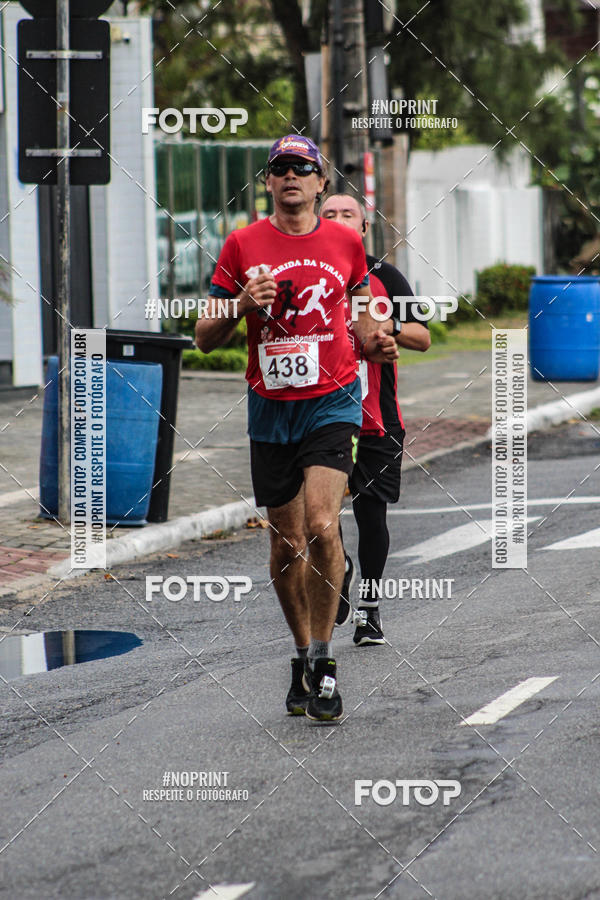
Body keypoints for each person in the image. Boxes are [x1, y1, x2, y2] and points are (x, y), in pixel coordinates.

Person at [195, 136, 398, 722]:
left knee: (320, 524)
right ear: (267, 182)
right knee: (284, 544)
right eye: (279, 168)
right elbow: (203, 339)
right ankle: (301, 652)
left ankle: (326, 662)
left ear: (320, 184)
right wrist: (239, 304)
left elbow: (362, 317)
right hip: (269, 408)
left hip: (332, 403)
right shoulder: (241, 244)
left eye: (301, 169)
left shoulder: (345, 242)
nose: (290, 177)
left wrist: (375, 339)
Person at [320, 194, 431, 645]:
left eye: (349, 215)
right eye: (329, 214)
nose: (340, 220)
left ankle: (369, 608)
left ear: (365, 228)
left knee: (371, 513)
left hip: (378, 417)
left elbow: (423, 338)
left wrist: (388, 326)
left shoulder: (385, 276)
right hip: (323, 412)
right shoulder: (312, 273)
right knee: (321, 513)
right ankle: (338, 565)